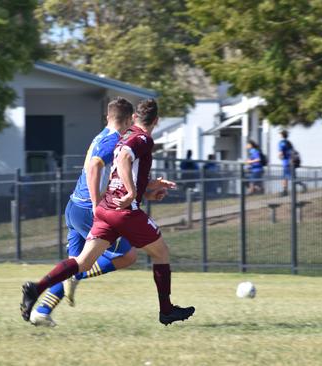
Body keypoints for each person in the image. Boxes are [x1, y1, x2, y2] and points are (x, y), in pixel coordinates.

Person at [20, 99, 195, 326]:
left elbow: (118, 174)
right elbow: (114, 163)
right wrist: (131, 194)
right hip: (103, 209)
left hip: (95, 208)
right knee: (157, 253)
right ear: (156, 121)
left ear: (133, 118)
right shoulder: (138, 138)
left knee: (81, 262)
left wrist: (146, 189)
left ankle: (37, 290)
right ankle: (166, 310)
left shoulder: (120, 136)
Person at [29, 97, 139, 327]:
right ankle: (76, 276)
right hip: (88, 210)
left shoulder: (101, 136)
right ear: (129, 120)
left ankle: (42, 310)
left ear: (108, 117)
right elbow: (94, 167)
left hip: (74, 207)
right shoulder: (113, 140)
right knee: (127, 255)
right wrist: (98, 203)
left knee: (75, 262)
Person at [278, 130, 306, 196]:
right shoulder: (289, 142)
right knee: (288, 177)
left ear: (282, 135)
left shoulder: (281, 143)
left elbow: (281, 153)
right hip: (292, 162)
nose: (279, 135)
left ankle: (285, 191)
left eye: (280, 134)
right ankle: (286, 190)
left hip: (286, 162)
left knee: (287, 177)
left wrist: (280, 156)